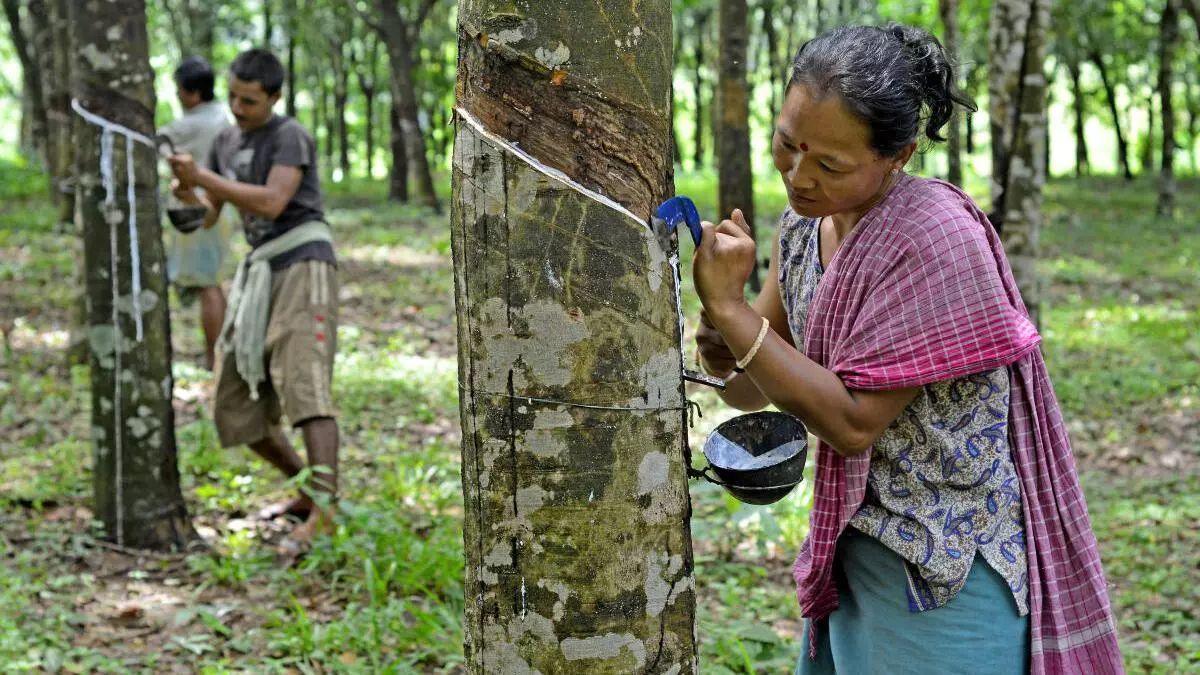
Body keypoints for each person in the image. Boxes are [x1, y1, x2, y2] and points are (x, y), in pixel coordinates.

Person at [692, 24, 1123, 675]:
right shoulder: (803, 228)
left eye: (829, 164)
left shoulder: (934, 240)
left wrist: (732, 312)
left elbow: (852, 421)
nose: (798, 176)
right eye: (787, 144)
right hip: (858, 549)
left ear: (898, 155)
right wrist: (725, 343)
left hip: (944, 571)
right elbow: (755, 386)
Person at [168, 48, 339, 548]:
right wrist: (186, 188)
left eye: (250, 101)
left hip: (303, 260)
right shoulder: (223, 141)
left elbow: (272, 200)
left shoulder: (289, 135)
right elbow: (208, 213)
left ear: (274, 96)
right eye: (233, 97)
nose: (239, 108)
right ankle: (306, 490)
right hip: (259, 267)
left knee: (303, 381)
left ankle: (325, 513)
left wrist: (204, 179)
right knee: (233, 398)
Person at [160, 56, 233, 371]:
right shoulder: (226, 118)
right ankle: (221, 351)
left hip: (198, 208)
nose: (177, 96)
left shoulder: (191, 124)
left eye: (179, 90)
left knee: (208, 284)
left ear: (192, 93)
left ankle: (214, 357)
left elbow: (155, 140)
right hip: (221, 205)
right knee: (213, 279)